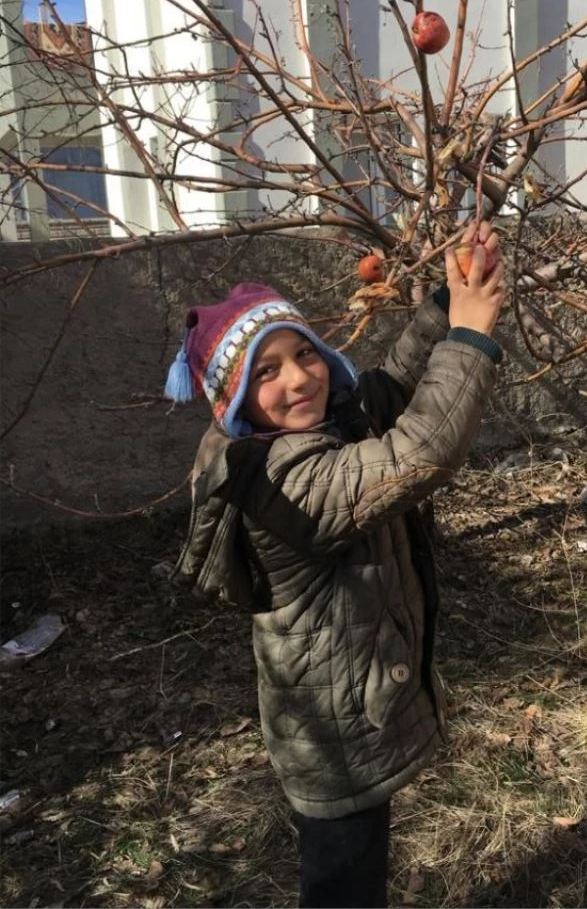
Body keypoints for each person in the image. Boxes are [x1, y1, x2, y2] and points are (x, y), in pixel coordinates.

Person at [163, 221, 505, 908]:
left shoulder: (317, 425)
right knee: (344, 882)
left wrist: (448, 300)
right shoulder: (278, 482)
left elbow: (393, 385)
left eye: (304, 353)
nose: (298, 378)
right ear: (233, 400)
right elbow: (420, 453)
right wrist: (471, 336)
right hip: (334, 737)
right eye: (266, 371)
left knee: (356, 870)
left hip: (351, 706)